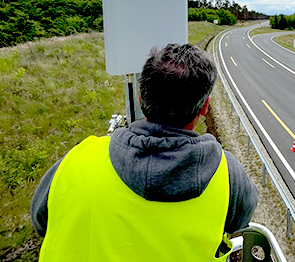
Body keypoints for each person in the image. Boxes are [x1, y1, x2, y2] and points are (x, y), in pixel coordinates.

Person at [31, 43, 258, 261]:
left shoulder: (77, 159)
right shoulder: (226, 174)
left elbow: (40, 221)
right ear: (205, 107)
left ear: (140, 97)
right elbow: (240, 220)